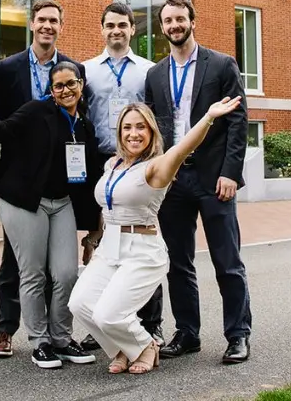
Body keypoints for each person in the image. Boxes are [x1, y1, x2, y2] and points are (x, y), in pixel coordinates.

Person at [69, 98, 242, 374]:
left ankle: (144, 345)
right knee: (79, 304)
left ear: (150, 132)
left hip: (142, 251)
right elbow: (108, 206)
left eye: (140, 127)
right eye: (127, 127)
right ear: (119, 132)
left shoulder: (157, 166)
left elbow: (187, 144)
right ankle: (122, 350)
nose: (133, 133)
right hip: (109, 248)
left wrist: (209, 116)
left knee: (108, 314)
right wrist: (93, 239)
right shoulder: (112, 164)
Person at [0, 61, 101, 369]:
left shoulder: (84, 123)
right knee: (33, 273)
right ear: (51, 90)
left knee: (66, 274)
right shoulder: (37, 111)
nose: (66, 90)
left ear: (81, 84)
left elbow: (87, 178)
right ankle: (40, 342)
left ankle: (62, 338)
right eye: (58, 86)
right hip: (24, 202)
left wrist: (93, 229)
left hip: (60, 203)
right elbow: (2, 130)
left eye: (71, 83)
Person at [144, 0, 252, 364]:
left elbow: (238, 122)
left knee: (227, 260)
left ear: (193, 21)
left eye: (180, 18)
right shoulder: (155, 74)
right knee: (177, 262)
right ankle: (187, 333)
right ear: (162, 27)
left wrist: (230, 173)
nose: (174, 25)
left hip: (212, 177)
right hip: (173, 181)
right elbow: (152, 128)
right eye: (168, 21)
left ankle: (237, 335)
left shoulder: (221, 64)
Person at [0, 0, 86, 359]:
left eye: (54, 21)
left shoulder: (70, 69)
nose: (47, 26)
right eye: (41, 20)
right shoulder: (9, 68)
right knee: (15, 263)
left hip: (57, 183)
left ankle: (56, 335)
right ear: (32, 24)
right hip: (20, 184)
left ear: (61, 25)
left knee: (59, 269)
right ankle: (6, 329)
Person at [81, 2, 159, 349]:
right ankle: (102, 321)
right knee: (103, 241)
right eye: (110, 25)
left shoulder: (148, 71)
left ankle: (150, 324)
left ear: (132, 29)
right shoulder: (86, 70)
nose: (116, 31)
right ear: (102, 29)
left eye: (123, 25)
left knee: (140, 241)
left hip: (138, 162)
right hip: (100, 160)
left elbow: (158, 118)